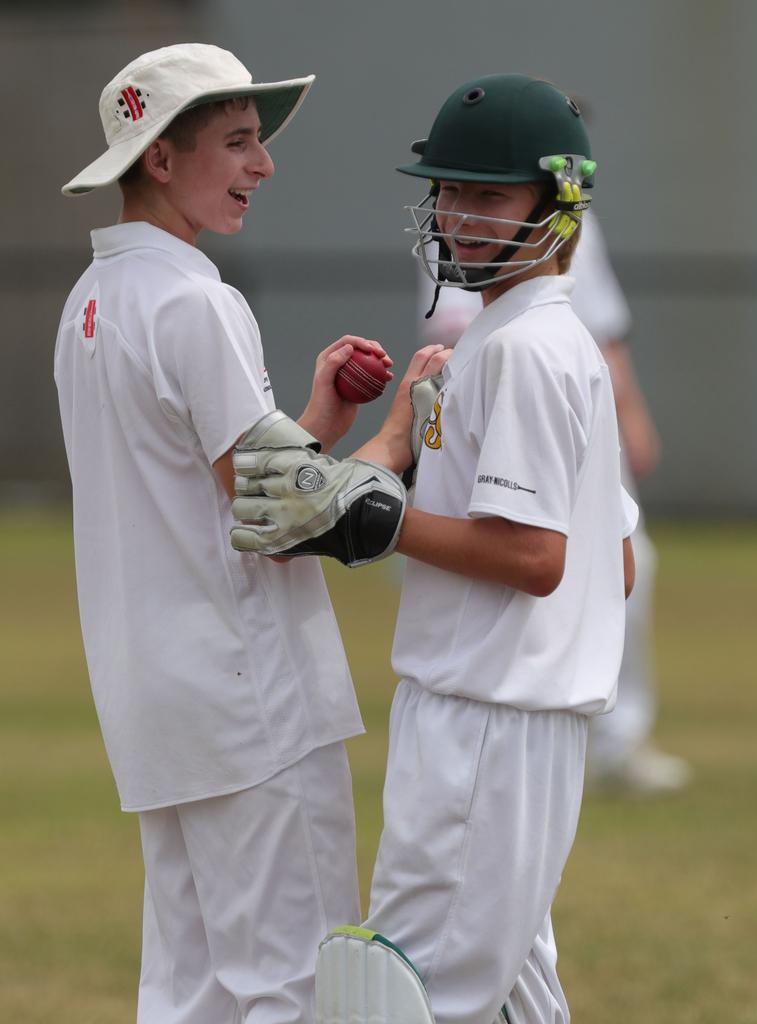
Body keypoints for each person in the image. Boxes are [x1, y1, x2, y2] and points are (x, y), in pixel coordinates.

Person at [229, 74, 638, 1024]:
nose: (458, 213)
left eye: (488, 194)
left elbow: (538, 560)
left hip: (483, 721)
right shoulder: (527, 336)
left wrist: (372, 516)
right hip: (512, 722)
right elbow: (607, 562)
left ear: (557, 203)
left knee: (406, 996)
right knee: (511, 998)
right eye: (449, 189)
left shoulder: (525, 350)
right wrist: (404, 464)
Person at [53, 42, 438, 1024]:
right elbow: (280, 510)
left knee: (188, 995)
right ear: (160, 160)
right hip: (249, 697)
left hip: (158, 699)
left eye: (256, 142)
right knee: (296, 988)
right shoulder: (193, 297)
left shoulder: (89, 304)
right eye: (236, 143)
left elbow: (220, 488)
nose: (262, 166)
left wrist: (313, 423)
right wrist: (401, 430)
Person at [417, 213, 691, 794]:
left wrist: (382, 523)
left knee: (613, 565)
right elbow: (455, 327)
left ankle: (610, 736)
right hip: (507, 411)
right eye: (457, 190)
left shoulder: (568, 234)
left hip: (565, 407)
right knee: (505, 573)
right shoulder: (476, 238)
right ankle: (560, 727)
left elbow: (603, 326)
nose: (465, 204)